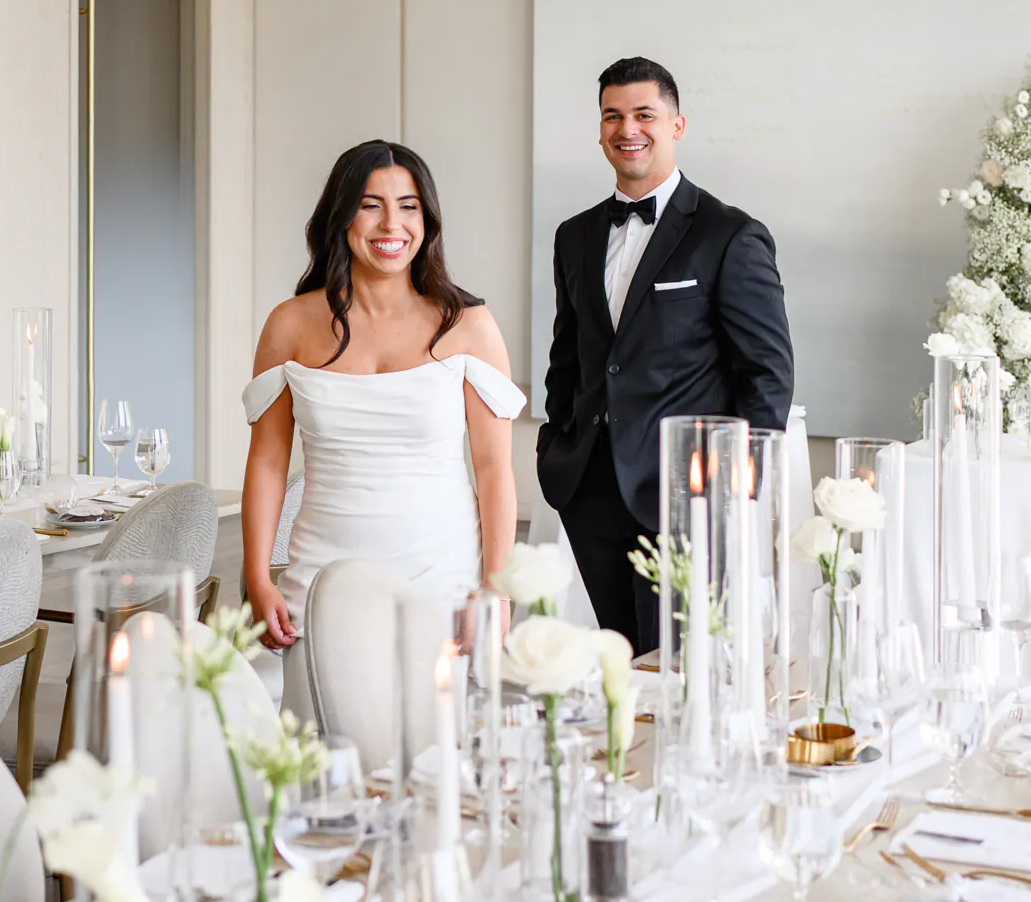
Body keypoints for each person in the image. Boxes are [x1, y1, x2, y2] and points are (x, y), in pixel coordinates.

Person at [239, 139, 525, 699]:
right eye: (370, 204)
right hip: (317, 583)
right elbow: (268, 463)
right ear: (341, 216)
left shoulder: (467, 325)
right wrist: (256, 578)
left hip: (443, 583)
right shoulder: (290, 325)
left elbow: (495, 470)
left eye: (409, 205)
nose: (391, 223)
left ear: (428, 218)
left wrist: (497, 589)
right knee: (318, 763)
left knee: (433, 763)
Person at [537, 57, 795, 654]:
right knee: (620, 662)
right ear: (601, 129)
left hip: (688, 497)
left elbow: (768, 375)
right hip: (591, 489)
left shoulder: (729, 234)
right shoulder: (573, 236)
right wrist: (558, 443)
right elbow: (567, 357)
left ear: (676, 125)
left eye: (644, 114)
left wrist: (730, 493)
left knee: (685, 671)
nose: (628, 129)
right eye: (613, 116)